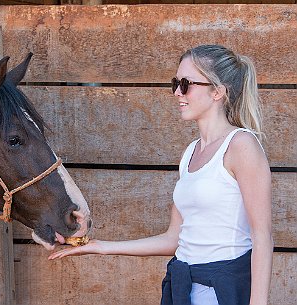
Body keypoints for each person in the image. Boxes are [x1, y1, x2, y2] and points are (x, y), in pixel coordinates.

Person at [48, 45, 273, 305]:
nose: (178, 92)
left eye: (187, 83)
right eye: (176, 83)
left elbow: (262, 236)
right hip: (184, 290)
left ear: (217, 92)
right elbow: (174, 238)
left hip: (223, 290)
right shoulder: (190, 153)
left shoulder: (241, 146)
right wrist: (101, 246)